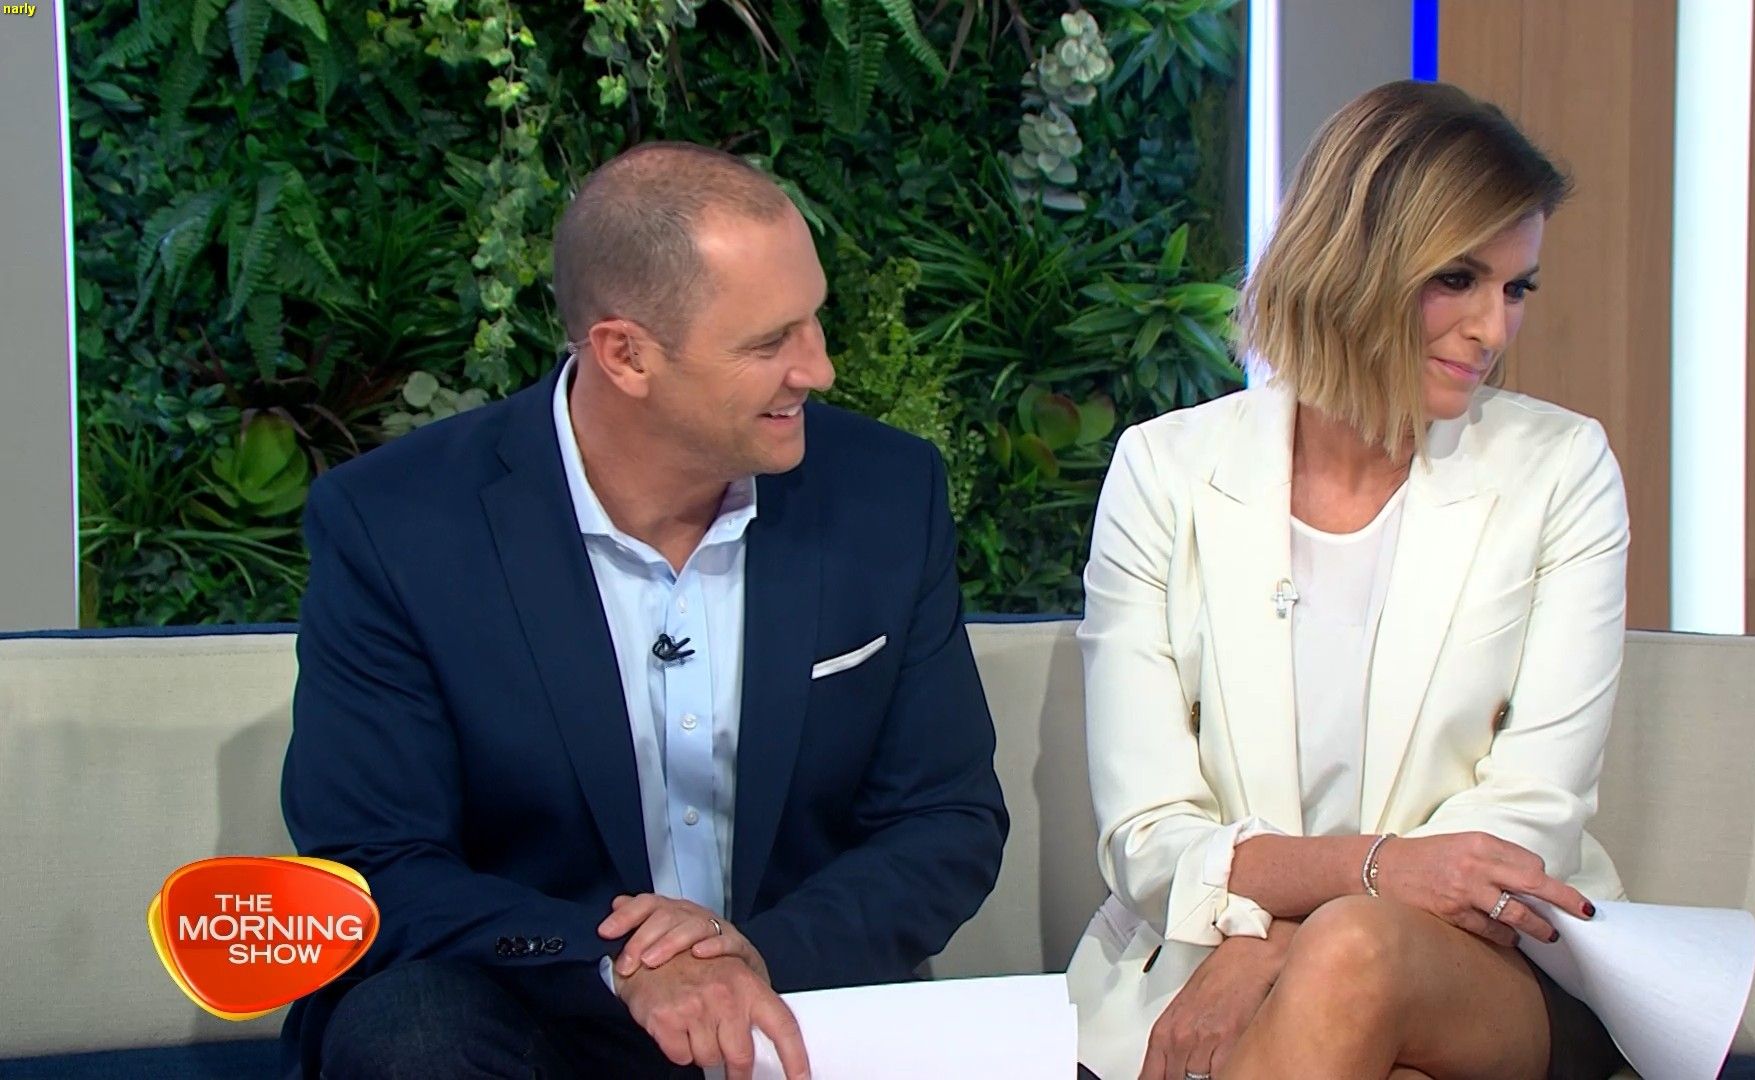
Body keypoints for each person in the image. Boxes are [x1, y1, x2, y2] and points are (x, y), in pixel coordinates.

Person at [280, 142, 1009, 1079]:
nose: (819, 369)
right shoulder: (398, 525)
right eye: (769, 343)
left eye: (814, 321)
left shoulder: (886, 492)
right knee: (409, 1037)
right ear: (625, 354)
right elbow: (370, 864)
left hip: (795, 994)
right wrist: (629, 964)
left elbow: (945, 818)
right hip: (536, 1004)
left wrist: (747, 960)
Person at [1067, 81, 1630, 1080]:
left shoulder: (1562, 469)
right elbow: (1147, 833)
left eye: (1516, 289)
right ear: (1352, 263)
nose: (1493, 330)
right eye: (1457, 279)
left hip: (1492, 962)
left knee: (1351, 953)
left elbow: (1531, 812)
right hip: (1201, 958)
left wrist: (1290, 941)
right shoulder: (1165, 472)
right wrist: (1358, 882)